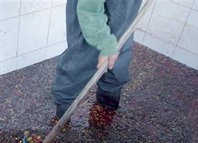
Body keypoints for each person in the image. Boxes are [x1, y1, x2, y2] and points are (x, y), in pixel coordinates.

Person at [51, 0, 142, 128]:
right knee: (77, 65)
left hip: (123, 20)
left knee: (117, 67)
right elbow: (89, 10)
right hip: (92, 21)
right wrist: (105, 42)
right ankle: (62, 118)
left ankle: (106, 110)